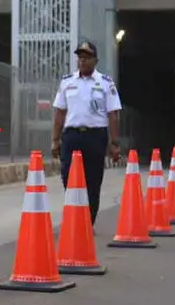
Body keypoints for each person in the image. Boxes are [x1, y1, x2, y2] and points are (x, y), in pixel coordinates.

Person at [50, 39, 122, 227]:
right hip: (72, 136)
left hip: (95, 136)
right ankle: (74, 217)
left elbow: (113, 114)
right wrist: (55, 140)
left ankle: (87, 222)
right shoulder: (67, 82)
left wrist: (114, 143)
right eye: (80, 58)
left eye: (87, 58)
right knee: (68, 176)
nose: (82, 61)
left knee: (93, 180)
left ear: (95, 61)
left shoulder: (105, 83)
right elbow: (59, 113)